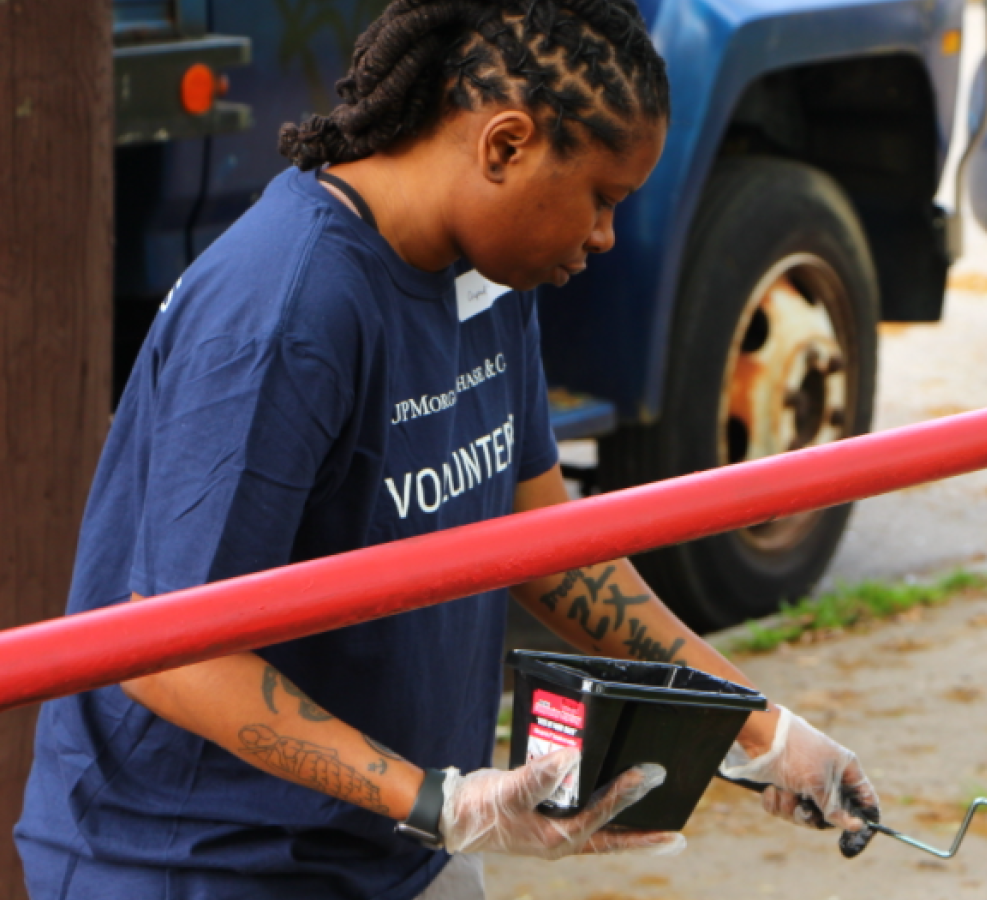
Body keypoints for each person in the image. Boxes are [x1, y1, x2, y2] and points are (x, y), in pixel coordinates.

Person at [13, 1, 878, 897]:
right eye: (602, 198)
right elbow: (170, 654)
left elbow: (549, 548)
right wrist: (441, 801)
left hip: (384, 849)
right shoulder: (288, 312)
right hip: (192, 863)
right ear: (504, 146)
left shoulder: (490, 273)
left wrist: (758, 727)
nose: (604, 237)